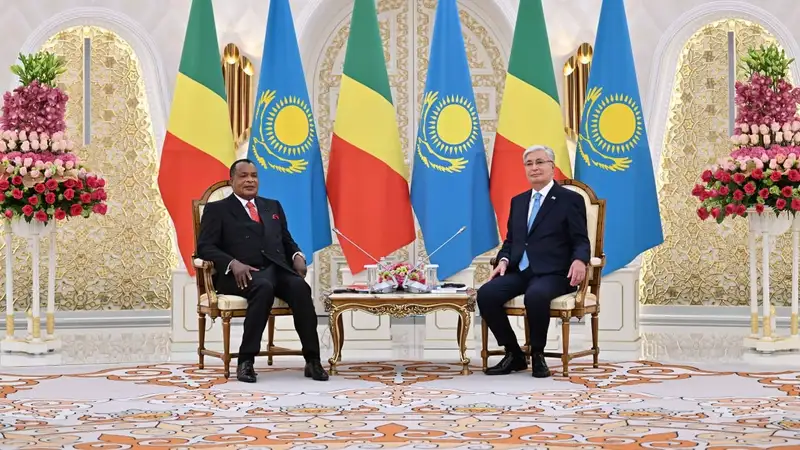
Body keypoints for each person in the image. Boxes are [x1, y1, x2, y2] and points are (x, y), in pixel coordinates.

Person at [197, 159, 329, 383]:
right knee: (263, 288)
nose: (250, 180)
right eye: (243, 176)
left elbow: (286, 240)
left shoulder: (272, 206)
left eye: (254, 176)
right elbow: (205, 247)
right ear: (232, 180)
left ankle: (313, 360)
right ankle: (246, 361)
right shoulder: (217, 209)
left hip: (276, 269)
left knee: (300, 287)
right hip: (240, 275)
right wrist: (232, 263)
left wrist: (297, 255)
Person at [478, 145, 590, 378]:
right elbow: (511, 240)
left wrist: (580, 260)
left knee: (536, 295)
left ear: (552, 166)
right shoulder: (518, 201)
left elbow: (580, 239)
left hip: (555, 273)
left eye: (540, 162)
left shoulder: (570, 199)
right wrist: (504, 259)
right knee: (486, 294)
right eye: (529, 164)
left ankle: (538, 354)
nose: (534, 168)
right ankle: (514, 354)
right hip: (521, 271)